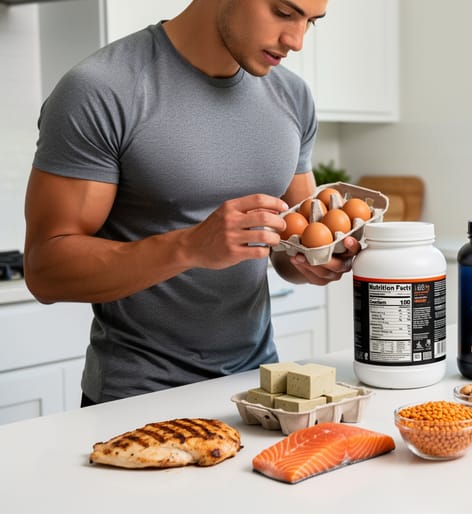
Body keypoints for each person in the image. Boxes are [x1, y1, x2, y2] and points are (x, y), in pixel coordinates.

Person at [22, 0, 353, 406]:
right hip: (136, 399)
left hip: (256, 390)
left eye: (310, 22)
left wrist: (315, 261)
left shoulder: (292, 96)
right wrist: (190, 246)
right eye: (283, 12)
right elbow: (45, 271)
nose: (296, 41)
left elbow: (291, 247)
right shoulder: (102, 88)